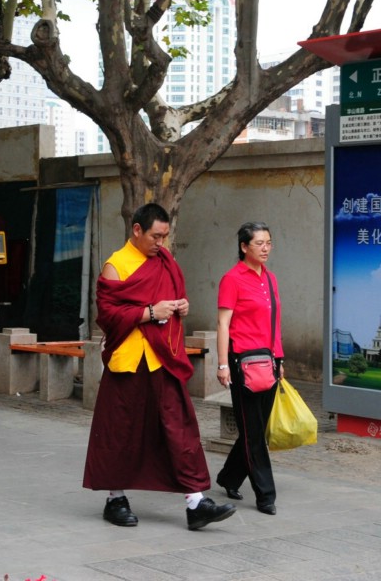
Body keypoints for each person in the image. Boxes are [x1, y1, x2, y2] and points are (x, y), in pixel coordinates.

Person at [83, 203, 236, 530]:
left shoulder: (166, 262)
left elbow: (174, 299)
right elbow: (108, 317)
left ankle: (196, 502)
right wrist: (150, 312)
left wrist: (180, 306)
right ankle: (115, 498)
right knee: (120, 429)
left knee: (178, 425)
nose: (161, 244)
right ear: (136, 230)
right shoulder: (116, 265)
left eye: (165, 237)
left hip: (162, 358)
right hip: (128, 360)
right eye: (156, 236)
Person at [215, 221, 285, 516]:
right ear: (244, 247)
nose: (266, 248)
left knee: (253, 430)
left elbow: (275, 324)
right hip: (241, 363)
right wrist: (222, 364)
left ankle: (229, 477)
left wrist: (280, 360)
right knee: (254, 433)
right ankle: (266, 495)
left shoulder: (270, 279)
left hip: (268, 362)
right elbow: (223, 324)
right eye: (259, 243)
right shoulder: (232, 279)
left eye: (269, 242)